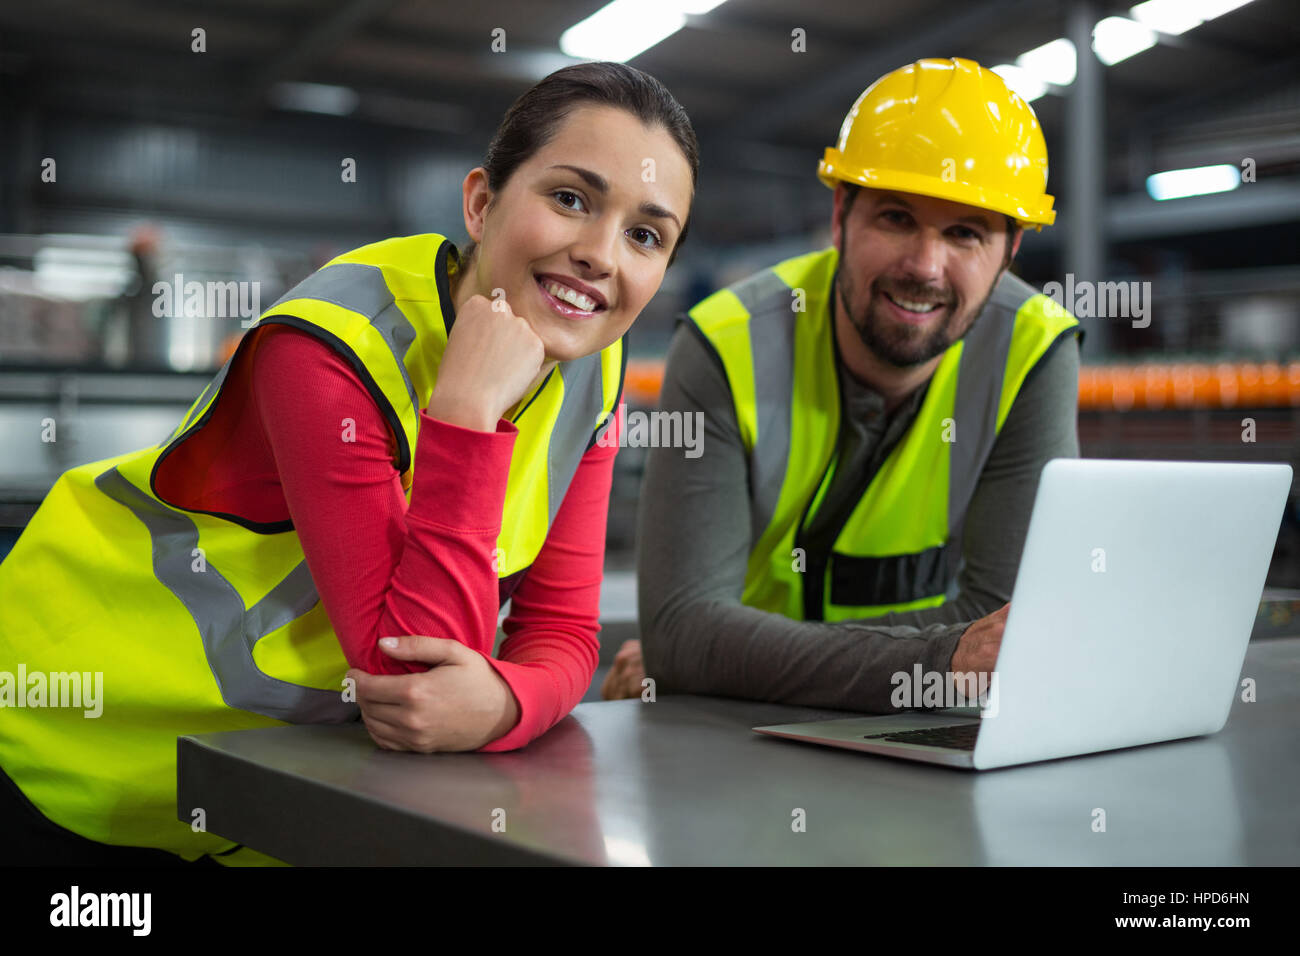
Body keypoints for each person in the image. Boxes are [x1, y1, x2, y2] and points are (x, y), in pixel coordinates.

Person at [0, 61, 697, 865]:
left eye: (646, 234)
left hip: (261, 793)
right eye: (570, 198)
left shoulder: (596, 374)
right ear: (481, 203)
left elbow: (564, 632)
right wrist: (466, 414)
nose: (600, 254)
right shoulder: (330, 346)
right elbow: (408, 673)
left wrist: (507, 700)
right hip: (73, 735)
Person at [604, 57, 1082, 707]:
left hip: (877, 728)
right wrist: (940, 656)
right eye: (895, 218)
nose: (925, 266)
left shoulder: (1034, 351)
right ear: (840, 216)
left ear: (1010, 253)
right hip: (733, 745)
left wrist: (729, 654)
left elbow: (1009, 626)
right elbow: (683, 634)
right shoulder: (726, 342)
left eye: (966, 233)